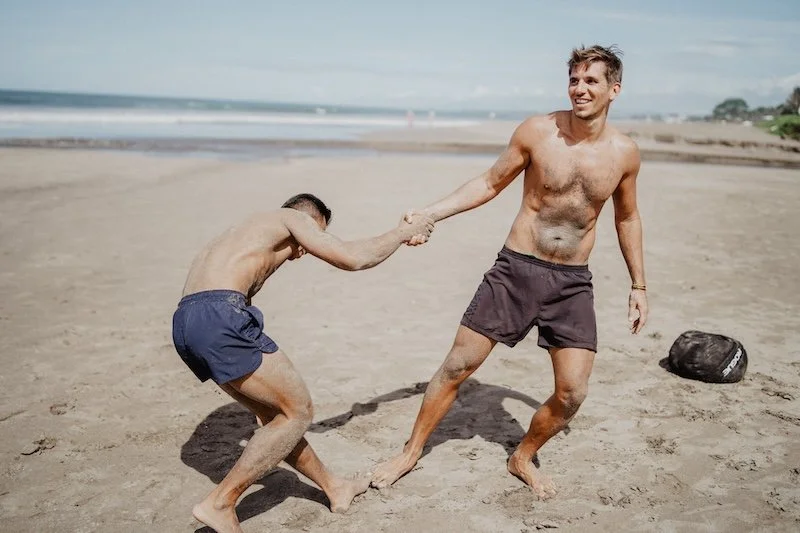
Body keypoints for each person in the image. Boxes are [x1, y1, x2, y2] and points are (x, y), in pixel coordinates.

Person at [371, 45, 648, 499]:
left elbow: (627, 218)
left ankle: (522, 455)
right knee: (457, 366)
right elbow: (488, 182)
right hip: (516, 270)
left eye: (591, 81)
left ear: (614, 90)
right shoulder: (539, 132)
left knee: (573, 394)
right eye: (575, 80)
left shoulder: (625, 154)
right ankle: (411, 451)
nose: (580, 89)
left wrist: (639, 284)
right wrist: (430, 214)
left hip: (572, 284)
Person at [172, 193, 433, 533]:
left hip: (186, 321)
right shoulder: (291, 219)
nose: (305, 250)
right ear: (308, 219)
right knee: (298, 412)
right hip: (220, 315)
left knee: (275, 418)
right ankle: (220, 503)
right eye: (314, 237)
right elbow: (353, 258)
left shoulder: (242, 232)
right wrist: (401, 232)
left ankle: (334, 487)